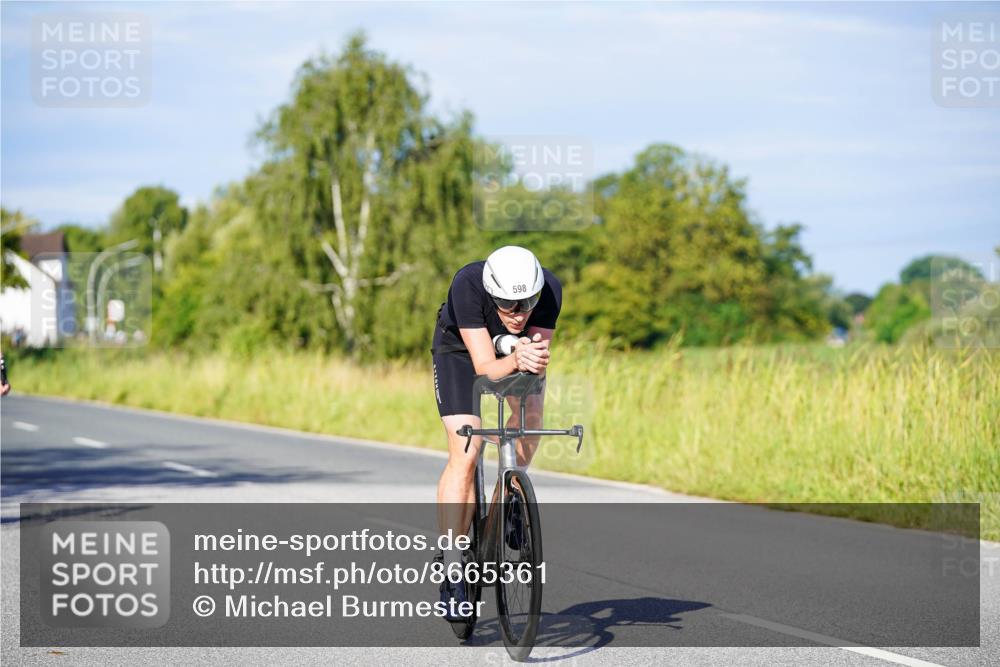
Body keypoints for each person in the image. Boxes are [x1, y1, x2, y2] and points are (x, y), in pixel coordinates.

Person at [430, 245, 562, 618]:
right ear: (492, 293)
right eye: (508, 305)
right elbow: (485, 367)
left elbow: (533, 358)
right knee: (466, 449)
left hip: (512, 354)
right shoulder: (468, 284)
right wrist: (515, 354)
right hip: (459, 352)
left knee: (531, 417)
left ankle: (509, 498)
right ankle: (454, 568)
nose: (519, 314)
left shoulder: (550, 290)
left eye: (528, 303)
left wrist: (527, 357)